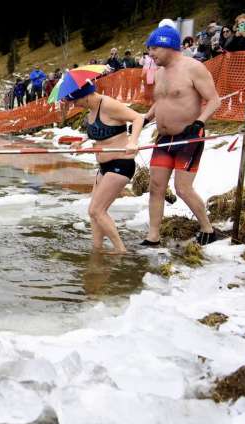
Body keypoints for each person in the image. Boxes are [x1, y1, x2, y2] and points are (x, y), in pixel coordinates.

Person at [142, 26, 221, 247]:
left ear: (168, 45)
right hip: (164, 138)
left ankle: (207, 228)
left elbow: (215, 100)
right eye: (149, 49)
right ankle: (153, 236)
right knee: (156, 187)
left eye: (154, 48)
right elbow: (162, 101)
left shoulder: (193, 68)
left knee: (182, 189)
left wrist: (199, 123)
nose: (151, 54)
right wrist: (146, 118)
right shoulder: (159, 73)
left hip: (188, 137)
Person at [63, 79, 144, 254]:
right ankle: (97, 249)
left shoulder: (108, 105)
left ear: (85, 96)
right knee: (93, 213)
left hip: (121, 163)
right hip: (104, 166)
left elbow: (138, 118)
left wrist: (133, 142)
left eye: (75, 100)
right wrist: (81, 144)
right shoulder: (90, 111)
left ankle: (121, 251)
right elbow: (101, 136)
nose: (74, 105)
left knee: (97, 210)